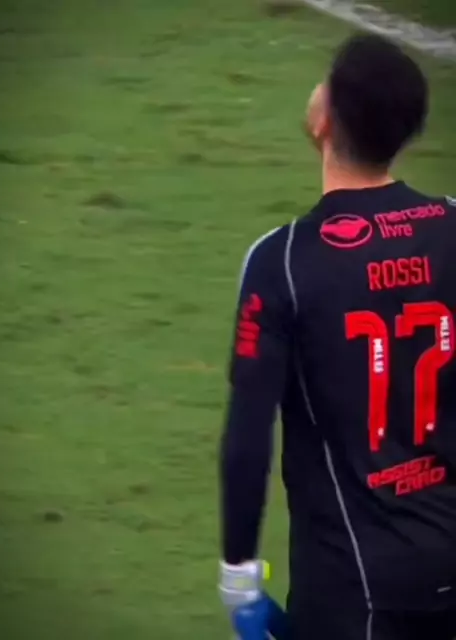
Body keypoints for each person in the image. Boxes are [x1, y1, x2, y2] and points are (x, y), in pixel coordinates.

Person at [218, 32, 456, 640]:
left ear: (325, 118)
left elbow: (249, 436)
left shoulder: (281, 262)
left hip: (353, 590)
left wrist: (238, 575)